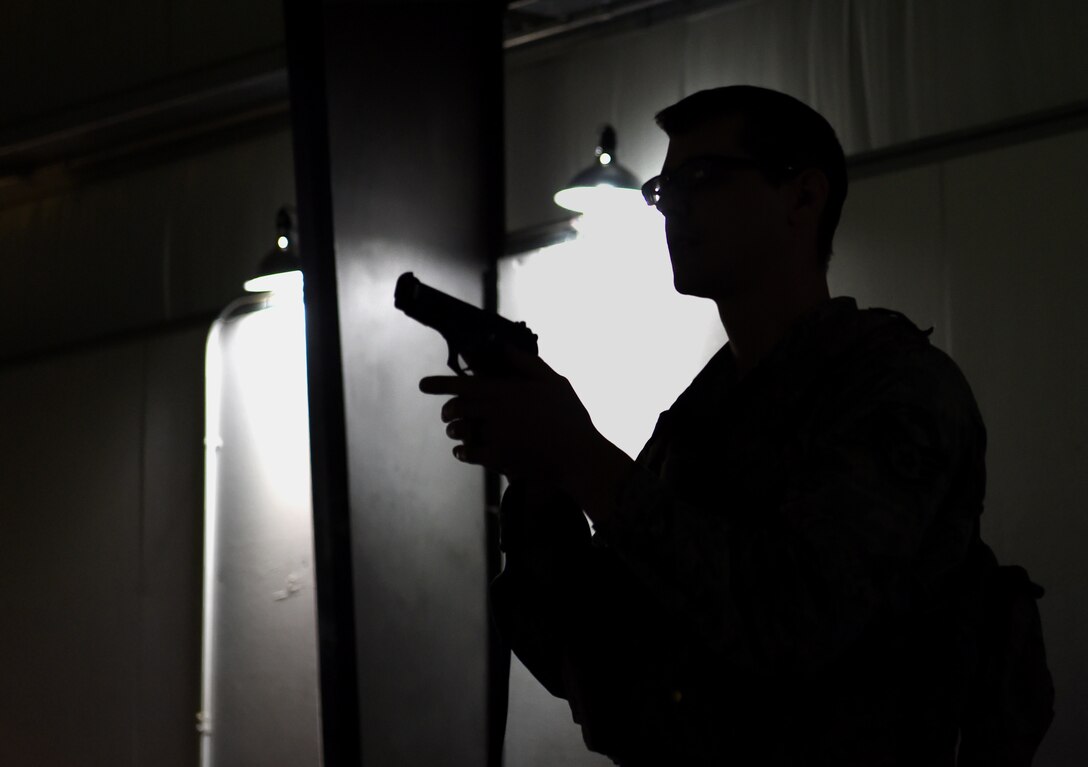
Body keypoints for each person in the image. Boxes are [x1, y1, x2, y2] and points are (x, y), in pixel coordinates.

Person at [419, 86, 1044, 765]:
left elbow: (792, 622)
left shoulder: (899, 390)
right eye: (664, 187)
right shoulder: (703, 414)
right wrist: (539, 482)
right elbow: (589, 653)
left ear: (802, 198)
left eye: (703, 178)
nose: (673, 207)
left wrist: (579, 455)